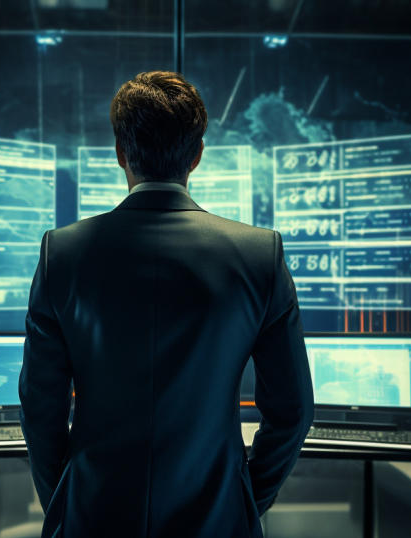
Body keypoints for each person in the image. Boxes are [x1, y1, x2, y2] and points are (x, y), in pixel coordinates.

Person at [19, 70, 313, 538]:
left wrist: (67, 502)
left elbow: (40, 409)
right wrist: (239, 499)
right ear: (196, 155)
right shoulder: (260, 255)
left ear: (120, 153)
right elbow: (293, 412)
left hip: (93, 515)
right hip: (216, 517)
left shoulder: (63, 254)